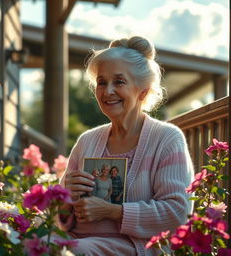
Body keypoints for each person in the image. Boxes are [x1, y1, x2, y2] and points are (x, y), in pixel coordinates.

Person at [58, 36, 194, 256]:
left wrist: (114, 212)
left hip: (134, 246)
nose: (107, 91)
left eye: (119, 82)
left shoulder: (167, 138)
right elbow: (60, 215)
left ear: (143, 91)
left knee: (72, 251)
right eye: (102, 82)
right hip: (76, 240)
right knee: (29, 245)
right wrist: (65, 198)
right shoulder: (87, 140)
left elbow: (178, 212)